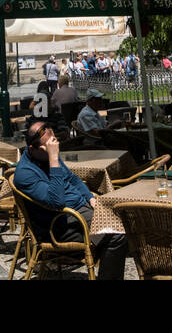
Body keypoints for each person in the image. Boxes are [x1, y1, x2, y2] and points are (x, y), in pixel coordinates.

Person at [13, 119, 128, 279]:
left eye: (54, 144)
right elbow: (57, 202)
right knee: (115, 234)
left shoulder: (46, 155)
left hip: (79, 211)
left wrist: (90, 198)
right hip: (59, 226)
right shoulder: (25, 173)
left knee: (126, 216)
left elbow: (73, 179)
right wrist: (53, 158)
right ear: (32, 149)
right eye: (49, 148)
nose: (54, 150)